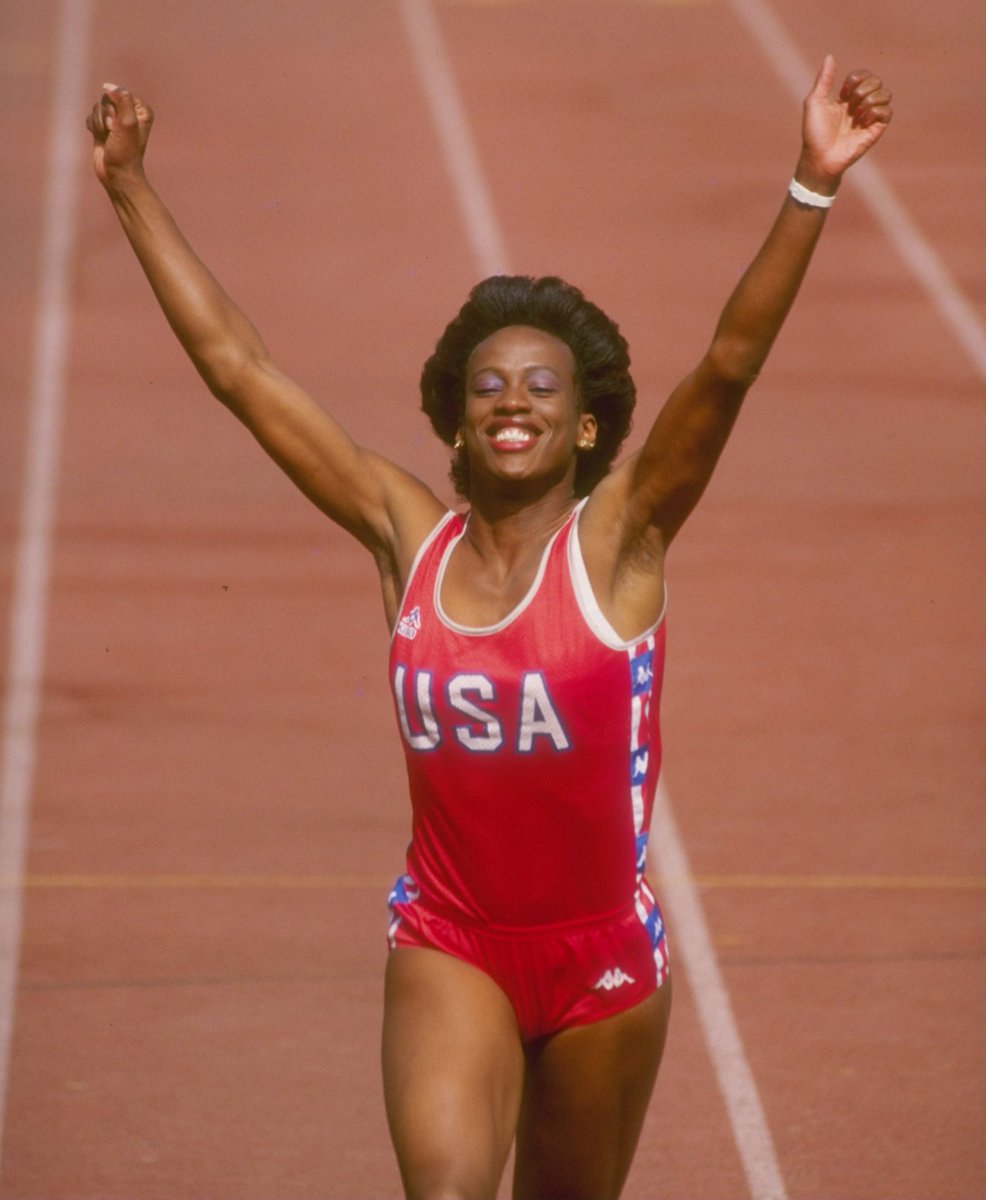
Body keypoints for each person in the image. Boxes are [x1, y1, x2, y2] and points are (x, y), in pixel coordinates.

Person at [86, 53, 892, 1200]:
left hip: (602, 964)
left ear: (583, 429)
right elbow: (240, 370)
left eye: (541, 388)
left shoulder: (619, 547)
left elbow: (726, 365)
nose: (512, 400)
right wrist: (131, 189)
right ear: (454, 425)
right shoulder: (404, 540)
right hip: (449, 941)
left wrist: (809, 184)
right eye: (487, 387)